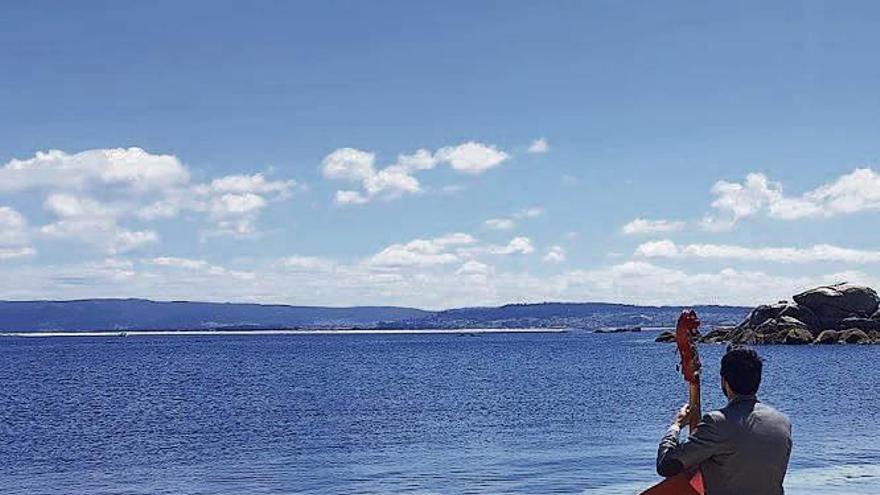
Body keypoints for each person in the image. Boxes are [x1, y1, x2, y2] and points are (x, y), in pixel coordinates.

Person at [656, 347, 792, 495]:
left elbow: (667, 465)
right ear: (758, 380)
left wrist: (676, 426)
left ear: (724, 381)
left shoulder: (716, 423)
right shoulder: (783, 422)